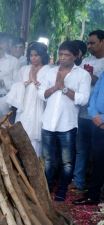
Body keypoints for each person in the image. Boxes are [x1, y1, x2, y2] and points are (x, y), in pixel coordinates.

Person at [38, 41, 91, 201]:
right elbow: (41, 94)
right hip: (48, 123)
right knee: (47, 159)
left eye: (67, 55)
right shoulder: (50, 72)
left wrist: (64, 88)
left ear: (76, 56)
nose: (62, 58)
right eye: (61, 54)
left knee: (67, 162)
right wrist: (56, 87)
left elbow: (83, 99)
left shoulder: (82, 75)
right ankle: (47, 188)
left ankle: (61, 190)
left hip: (67, 125)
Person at [69, 30, 104, 191]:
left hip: (100, 118)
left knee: (99, 153)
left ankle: (98, 187)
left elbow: (98, 86)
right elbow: (79, 83)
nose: (89, 46)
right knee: (81, 150)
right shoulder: (85, 62)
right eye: (88, 43)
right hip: (83, 113)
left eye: (92, 43)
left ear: (103, 42)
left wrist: (92, 77)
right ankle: (78, 181)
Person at [6, 43, 50, 157]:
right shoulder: (24, 69)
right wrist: (29, 81)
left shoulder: (49, 71)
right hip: (24, 109)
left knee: (35, 140)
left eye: (36, 55)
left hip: (39, 108)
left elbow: (48, 92)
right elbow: (14, 89)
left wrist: (34, 80)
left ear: (42, 56)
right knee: (21, 136)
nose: (33, 58)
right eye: (31, 55)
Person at [73, 71, 104, 205]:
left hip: (101, 120)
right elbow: (94, 95)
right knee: (98, 160)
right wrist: (94, 115)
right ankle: (94, 195)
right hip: (97, 123)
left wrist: (102, 118)